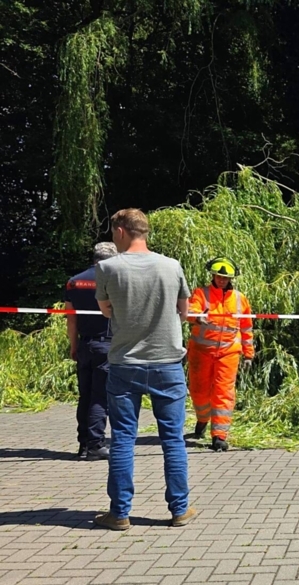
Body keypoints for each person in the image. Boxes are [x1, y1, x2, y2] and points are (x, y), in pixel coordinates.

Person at [93, 208, 199, 531]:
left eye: (113, 232)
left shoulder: (109, 268)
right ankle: (179, 509)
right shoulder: (172, 266)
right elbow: (184, 311)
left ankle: (120, 513)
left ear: (122, 231)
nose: (113, 238)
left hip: (125, 364)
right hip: (167, 363)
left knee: (123, 438)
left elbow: (105, 310)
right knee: (173, 439)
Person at [186, 257, 255, 452]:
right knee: (199, 391)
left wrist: (248, 354)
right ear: (213, 276)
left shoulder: (240, 299)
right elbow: (190, 311)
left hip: (228, 353)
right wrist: (198, 317)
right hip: (201, 352)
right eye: (219, 276)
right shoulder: (202, 293)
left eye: (225, 277)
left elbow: (247, 327)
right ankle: (202, 420)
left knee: (223, 393)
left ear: (231, 278)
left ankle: (219, 435)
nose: (221, 280)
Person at [66, 242, 118, 461]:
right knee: (100, 397)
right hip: (106, 344)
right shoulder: (113, 280)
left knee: (85, 395)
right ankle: (96, 444)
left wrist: (74, 345)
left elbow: (71, 317)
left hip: (84, 344)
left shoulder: (74, 282)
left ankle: (83, 444)